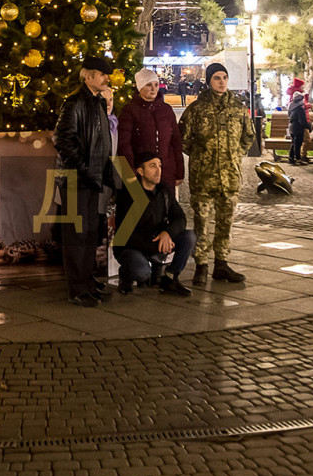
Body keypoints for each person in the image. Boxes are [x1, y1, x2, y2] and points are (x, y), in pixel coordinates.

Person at [180, 62, 254, 285]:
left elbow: (248, 136)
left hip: (229, 176)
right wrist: (201, 157)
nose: (222, 82)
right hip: (204, 177)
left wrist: (235, 154)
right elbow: (183, 139)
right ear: (209, 81)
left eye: (224, 78)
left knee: (225, 222)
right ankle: (201, 265)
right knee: (202, 222)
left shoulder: (238, 108)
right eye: (216, 78)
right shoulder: (197, 109)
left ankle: (222, 264)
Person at [54, 55, 118, 307]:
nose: (106, 78)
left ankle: (88, 282)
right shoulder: (75, 102)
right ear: (88, 76)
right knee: (77, 236)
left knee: (90, 233)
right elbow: (63, 139)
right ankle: (77, 289)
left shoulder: (95, 102)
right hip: (76, 180)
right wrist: (83, 168)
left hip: (92, 179)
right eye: (102, 74)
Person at [113, 150, 195, 297]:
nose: (158, 170)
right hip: (131, 248)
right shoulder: (129, 194)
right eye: (152, 166)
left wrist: (167, 233)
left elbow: (180, 218)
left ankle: (170, 278)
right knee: (142, 273)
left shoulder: (163, 191)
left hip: (157, 241)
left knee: (189, 237)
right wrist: (155, 247)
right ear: (140, 171)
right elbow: (126, 236)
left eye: (160, 166)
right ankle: (125, 275)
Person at [118, 68, 185, 190]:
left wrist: (179, 170)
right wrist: (130, 171)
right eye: (149, 85)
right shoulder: (130, 110)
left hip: (166, 172)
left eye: (156, 85)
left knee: (166, 201)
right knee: (143, 202)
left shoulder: (166, 109)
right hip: (141, 173)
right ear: (140, 87)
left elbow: (176, 141)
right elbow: (124, 144)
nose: (153, 89)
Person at [287, 78, 312, 165]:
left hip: (292, 127)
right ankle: (298, 158)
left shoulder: (291, 106)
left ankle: (291, 158)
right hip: (298, 128)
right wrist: (308, 126)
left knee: (294, 143)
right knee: (297, 144)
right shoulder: (300, 109)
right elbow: (302, 121)